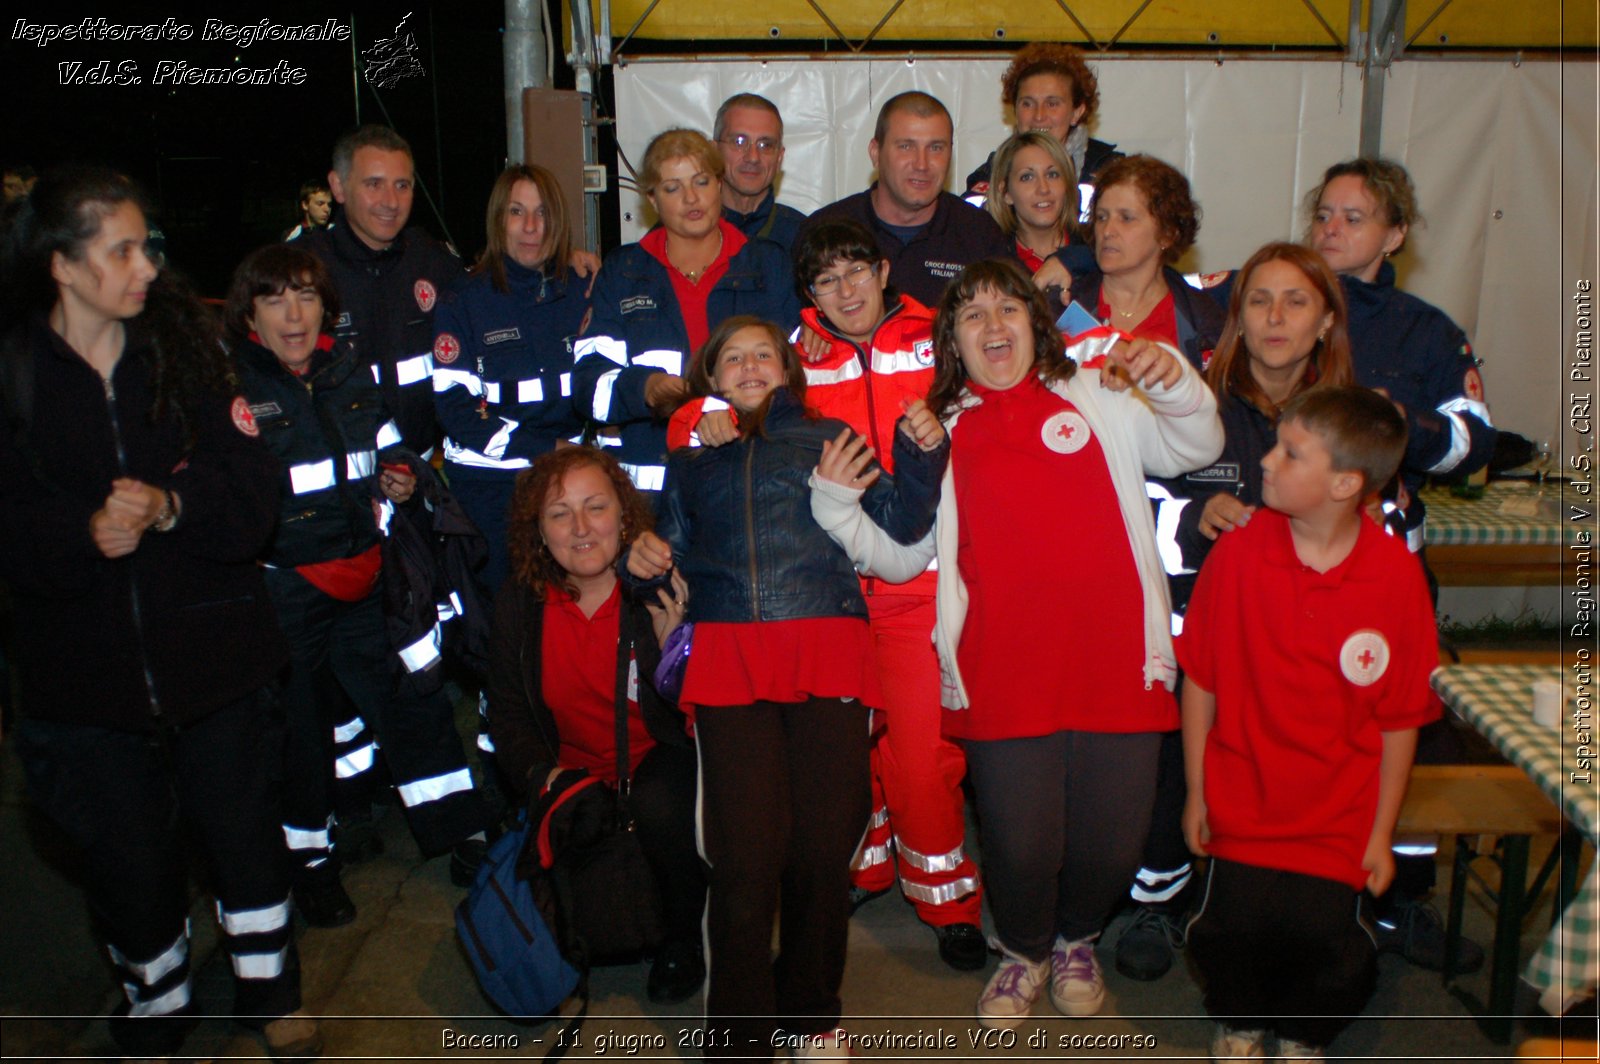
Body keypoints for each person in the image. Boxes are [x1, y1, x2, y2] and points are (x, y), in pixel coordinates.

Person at [811, 259, 1222, 1030]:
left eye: (1009, 309)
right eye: (973, 315)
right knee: (1021, 846)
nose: (994, 326)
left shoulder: (1102, 393)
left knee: (1112, 840)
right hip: (1002, 671)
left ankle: (1077, 941)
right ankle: (1026, 949)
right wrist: (838, 508)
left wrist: (1170, 379)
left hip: (1119, 664)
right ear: (952, 342)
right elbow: (902, 556)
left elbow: (1195, 446)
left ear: (1038, 323)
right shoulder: (940, 426)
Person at [0, 167, 317, 1060]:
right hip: (84, 683)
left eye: (150, 246)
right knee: (128, 862)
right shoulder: (15, 374)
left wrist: (172, 510)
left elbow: (254, 493)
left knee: (244, 835)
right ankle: (158, 1003)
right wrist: (80, 532)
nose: (146, 268)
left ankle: (272, 988)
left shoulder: (185, 353)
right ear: (62, 266)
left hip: (216, 658)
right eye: (122, 250)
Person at [625, 315, 947, 1059]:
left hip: (827, 648)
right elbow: (661, 551)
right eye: (728, 358)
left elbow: (901, 522)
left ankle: (811, 1018)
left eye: (761, 355)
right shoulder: (691, 462)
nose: (745, 366)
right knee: (743, 857)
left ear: (787, 370)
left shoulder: (829, 439)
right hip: (730, 658)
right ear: (710, 381)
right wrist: (635, 557)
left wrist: (921, 453)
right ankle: (737, 1034)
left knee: (822, 849)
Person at [227, 244, 493, 921]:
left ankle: (462, 830)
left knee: (416, 698)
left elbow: (388, 441)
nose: (294, 314)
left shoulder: (345, 373)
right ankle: (311, 867)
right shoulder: (233, 390)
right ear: (250, 313)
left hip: (367, 579)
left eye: (307, 298)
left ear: (325, 309)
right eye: (276, 299)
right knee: (299, 739)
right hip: (284, 593)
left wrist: (400, 471)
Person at [1179, 386, 1438, 1061]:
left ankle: (1303, 1032)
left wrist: (1381, 834)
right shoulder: (1236, 554)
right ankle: (1237, 1020)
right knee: (1232, 933)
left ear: (1345, 483)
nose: (1266, 461)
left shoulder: (1395, 580)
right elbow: (1200, 681)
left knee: (1322, 944)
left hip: (1337, 817)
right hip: (1242, 800)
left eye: (1291, 453)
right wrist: (1198, 794)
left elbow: (1399, 721)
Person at [1122, 243, 1356, 984]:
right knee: (1168, 762)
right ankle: (1157, 898)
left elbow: (1378, 530)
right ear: (1236, 318)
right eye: (1258, 300)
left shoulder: (1350, 418)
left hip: (1307, 643)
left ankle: (1304, 904)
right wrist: (1196, 516)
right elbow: (1137, 502)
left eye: (1295, 301)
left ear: (1324, 322)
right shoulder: (1192, 399)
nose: (1275, 317)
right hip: (1200, 626)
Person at [485, 446, 706, 1004]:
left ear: (624, 517)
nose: (580, 528)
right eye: (559, 513)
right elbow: (508, 713)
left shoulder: (657, 590)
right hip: (574, 777)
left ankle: (684, 937)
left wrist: (672, 643)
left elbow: (692, 715)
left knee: (662, 801)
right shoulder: (520, 604)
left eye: (595, 507)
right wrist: (543, 774)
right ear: (538, 530)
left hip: (656, 763)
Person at [574, 129, 798, 494]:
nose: (691, 198)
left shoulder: (768, 265)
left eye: (701, 181)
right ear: (651, 198)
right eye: (672, 188)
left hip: (751, 480)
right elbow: (588, 387)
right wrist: (644, 389)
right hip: (653, 490)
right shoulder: (623, 272)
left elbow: (797, 380)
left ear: (720, 183)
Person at [432, 164, 591, 596]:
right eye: (517, 212)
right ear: (498, 219)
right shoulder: (463, 301)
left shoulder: (583, 289)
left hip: (568, 486)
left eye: (542, 213)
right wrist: (549, 450)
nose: (531, 228)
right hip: (492, 491)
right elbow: (457, 412)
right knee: (499, 628)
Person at [294, 125, 465, 455]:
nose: (390, 201)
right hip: (341, 483)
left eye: (402, 185)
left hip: (420, 476)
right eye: (374, 184)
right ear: (338, 187)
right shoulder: (302, 271)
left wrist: (566, 263)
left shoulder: (433, 262)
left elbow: (494, 295)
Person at [797, 91, 1013, 309]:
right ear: (875, 153)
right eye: (906, 146)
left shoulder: (979, 233)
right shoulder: (823, 231)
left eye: (936, 148)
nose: (922, 164)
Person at [1061, 155, 1223, 369]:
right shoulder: (1062, 302)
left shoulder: (1204, 322)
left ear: (1167, 233)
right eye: (1101, 217)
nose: (1107, 231)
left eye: (1126, 218)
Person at [963, 43, 1122, 214]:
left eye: (1052, 104)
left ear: (1077, 112)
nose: (1039, 116)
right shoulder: (992, 173)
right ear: (1015, 110)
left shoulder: (1112, 172)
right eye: (1027, 103)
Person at [984, 131, 1088, 276]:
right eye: (1027, 177)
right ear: (1005, 192)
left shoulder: (1095, 252)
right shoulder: (991, 264)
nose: (1043, 188)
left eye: (1052, 175)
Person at [715, 93, 806, 252]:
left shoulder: (803, 237)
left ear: (779, 158)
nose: (753, 157)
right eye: (739, 142)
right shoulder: (680, 237)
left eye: (766, 145)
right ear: (714, 152)